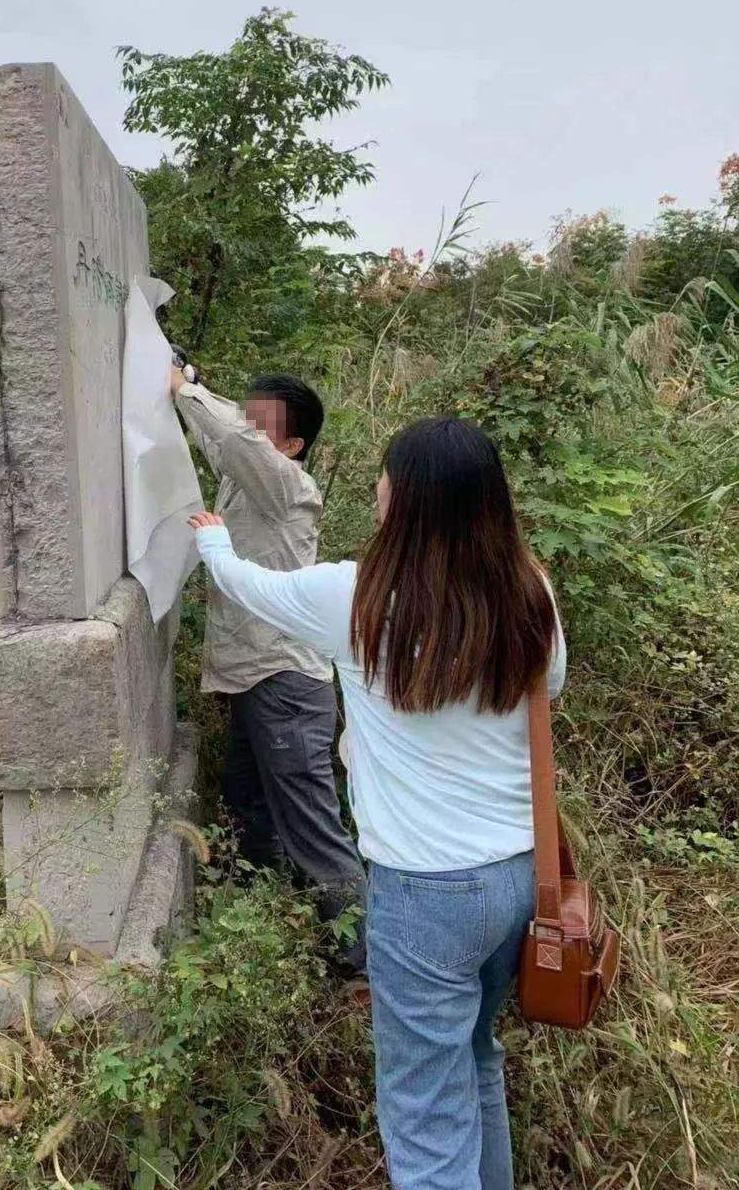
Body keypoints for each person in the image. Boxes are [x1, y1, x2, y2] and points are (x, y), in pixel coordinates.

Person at [188, 416, 566, 1190]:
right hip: (522, 877)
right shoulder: (530, 592)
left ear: (405, 498)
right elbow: (548, 689)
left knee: (424, 1116)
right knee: (476, 1061)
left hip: (426, 890)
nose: (377, 486)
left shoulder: (354, 596)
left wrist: (213, 540)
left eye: (387, 475)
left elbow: (250, 588)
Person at [170, 364, 367, 979]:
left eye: (264, 424)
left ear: (292, 446)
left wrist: (185, 389)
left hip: (284, 684)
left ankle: (366, 965)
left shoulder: (289, 489)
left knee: (312, 828)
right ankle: (274, 927)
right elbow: (226, 436)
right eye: (247, 414)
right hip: (256, 679)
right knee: (251, 806)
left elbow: (231, 437)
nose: (248, 428)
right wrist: (192, 382)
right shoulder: (252, 480)